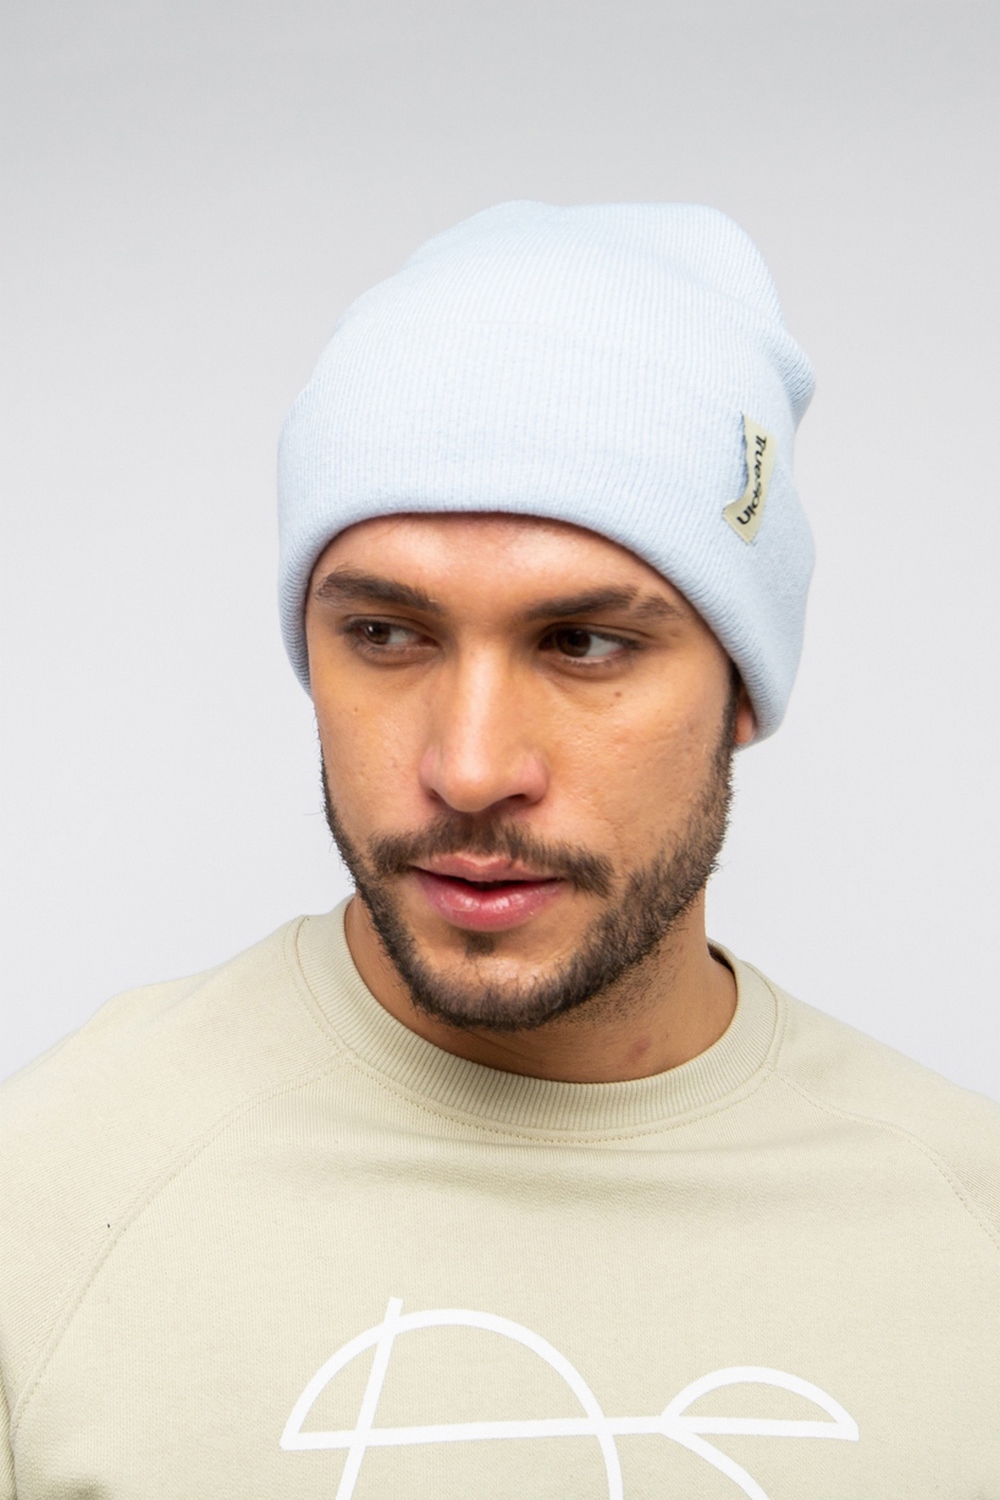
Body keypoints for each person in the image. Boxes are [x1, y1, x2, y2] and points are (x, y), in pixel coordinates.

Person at [1, 202, 997, 1500]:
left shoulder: (965, 1228)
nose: (470, 768)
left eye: (584, 643)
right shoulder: (47, 1199)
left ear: (743, 688)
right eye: (387, 634)